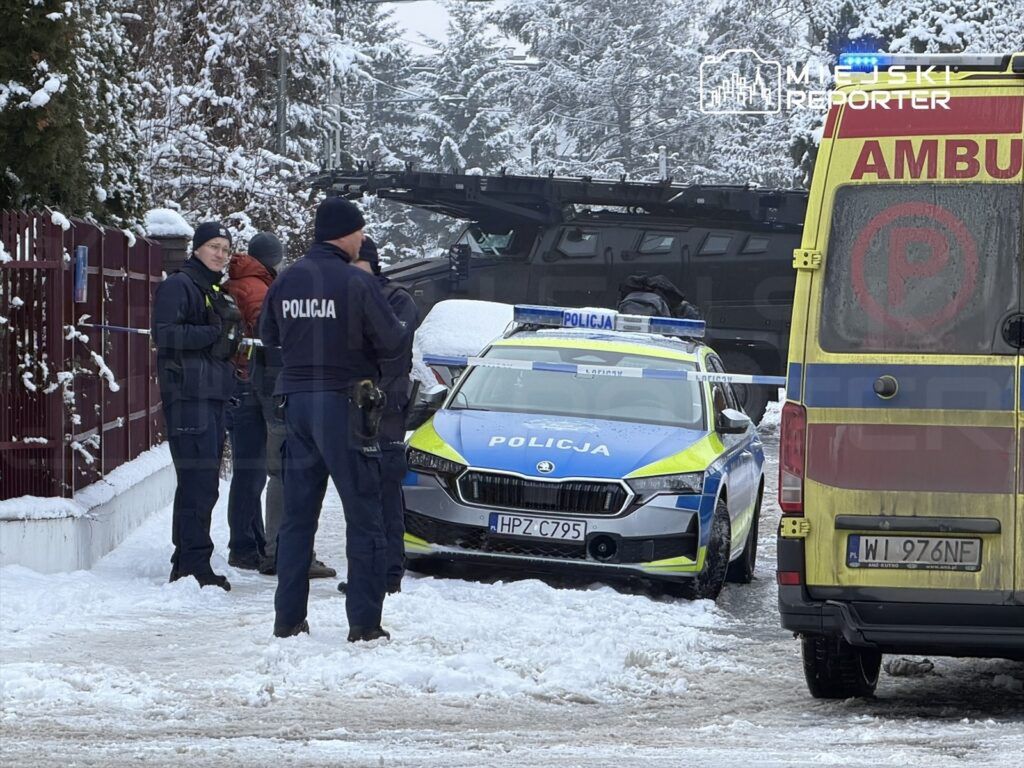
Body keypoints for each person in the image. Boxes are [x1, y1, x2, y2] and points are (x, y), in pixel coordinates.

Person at [261, 197, 409, 641]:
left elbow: (268, 339)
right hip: (345, 406)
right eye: (360, 231)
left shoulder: (285, 280)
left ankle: (288, 620)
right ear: (346, 232)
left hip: (297, 407)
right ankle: (364, 624)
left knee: (297, 518)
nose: (363, 238)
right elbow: (392, 341)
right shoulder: (355, 282)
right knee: (364, 517)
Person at [224, 233, 336, 578]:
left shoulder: (247, 282)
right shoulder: (261, 288)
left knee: (258, 470)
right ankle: (279, 550)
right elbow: (268, 332)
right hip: (275, 386)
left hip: (252, 381)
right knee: (286, 469)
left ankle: (255, 544)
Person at [152, 221, 242, 590]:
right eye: (214, 247)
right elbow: (165, 334)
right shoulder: (180, 285)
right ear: (197, 248)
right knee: (198, 483)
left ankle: (189, 557)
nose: (220, 254)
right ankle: (192, 565)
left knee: (203, 483)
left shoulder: (208, 287)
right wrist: (214, 332)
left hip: (210, 394)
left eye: (225, 248)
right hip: (189, 398)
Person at [340, 237, 420, 596]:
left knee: (386, 488)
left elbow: (392, 345)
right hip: (349, 403)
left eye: (357, 265)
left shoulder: (398, 299)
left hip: (386, 404)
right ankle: (362, 572)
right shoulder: (341, 297)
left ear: (371, 265)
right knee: (358, 494)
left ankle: (389, 573)